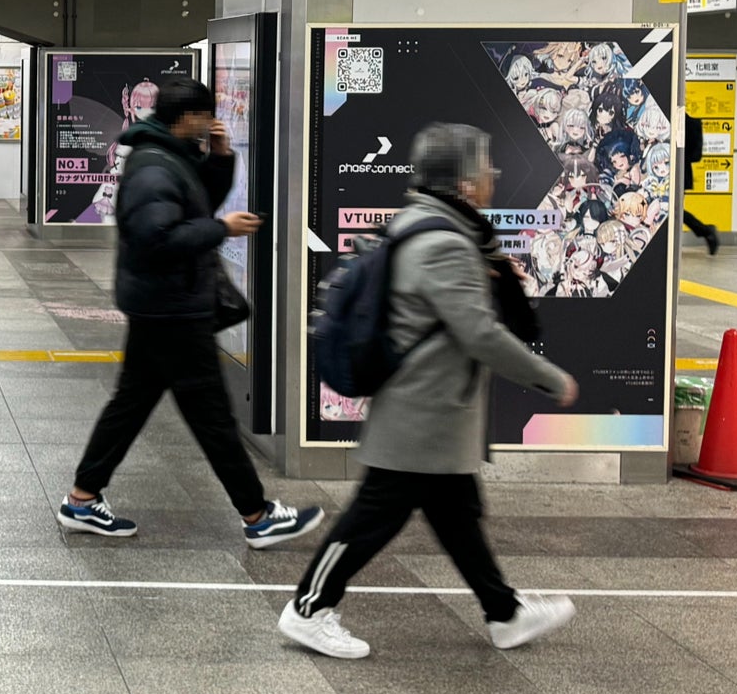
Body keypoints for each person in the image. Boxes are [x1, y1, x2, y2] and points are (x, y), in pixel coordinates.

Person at [279, 124, 579, 661]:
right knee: (374, 517)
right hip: (423, 412)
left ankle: (504, 613)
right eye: (485, 168)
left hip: (435, 410)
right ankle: (307, 607)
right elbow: (479, 333)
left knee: (458, 515)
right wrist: (549, 377)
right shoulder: (445, 243)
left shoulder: (429, 226)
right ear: (464, 182)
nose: (493, 177)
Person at [58, 75, 322, 547]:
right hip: (172, 309)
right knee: (212, 416)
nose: (212, 122)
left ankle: (81, 499)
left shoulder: (168, 154)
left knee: (131, 406)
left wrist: (220, 158)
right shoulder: (154, 166)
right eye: (206, 115)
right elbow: (156, 239)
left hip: (162, 305)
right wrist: (223, 230)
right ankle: (257, 515)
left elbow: (197, 203)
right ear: (187, 117)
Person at [683, 107, 721, 255]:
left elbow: (696, 155)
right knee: (675, 211)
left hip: (680, 174)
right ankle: (706, 231)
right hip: (669, 175)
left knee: (675, 211)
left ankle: (706, 231)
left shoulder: (691, 124)